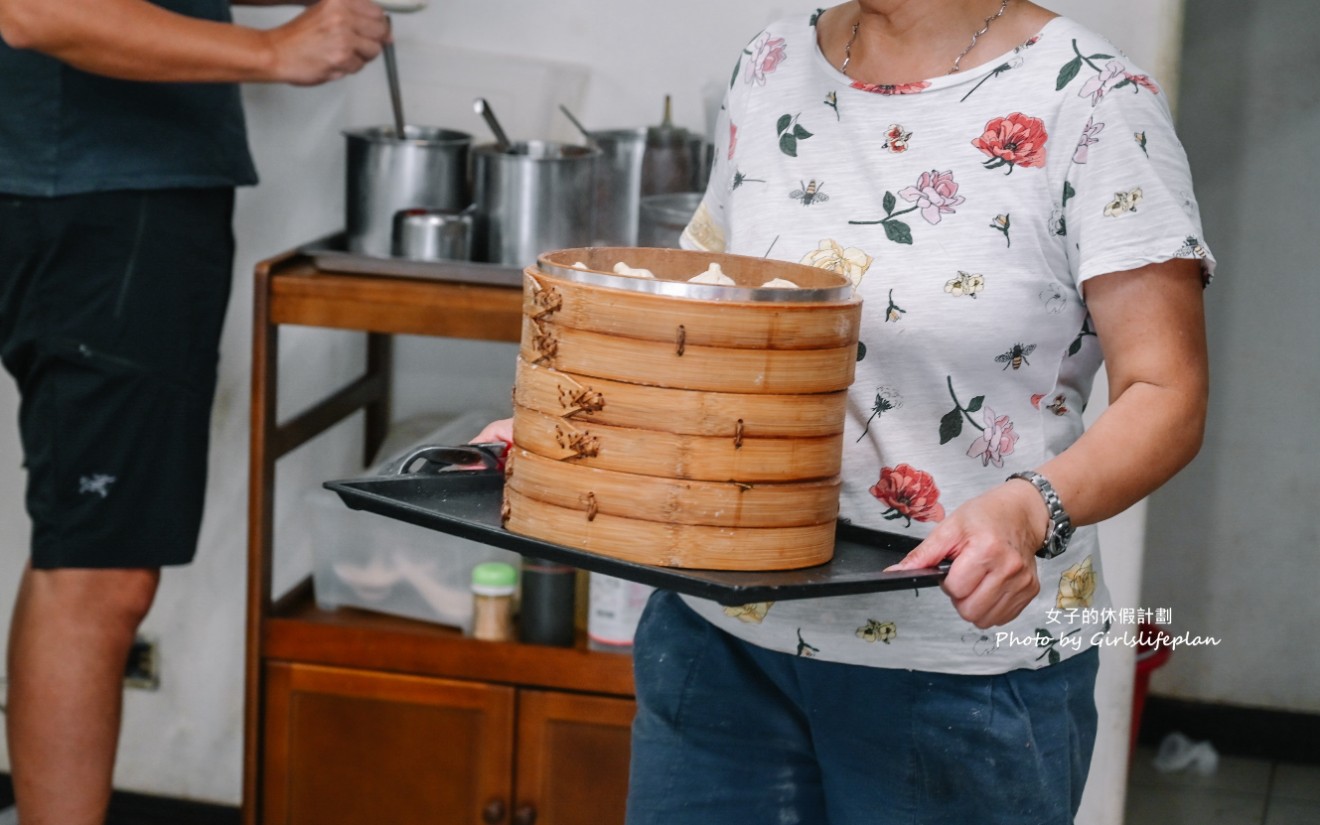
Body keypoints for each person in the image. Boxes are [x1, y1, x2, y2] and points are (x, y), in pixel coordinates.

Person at [476, 0, 1211, 822]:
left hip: (955, 667)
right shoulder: (771, 63)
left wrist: (1030, 509)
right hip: (721, 636)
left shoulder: (1092, 97)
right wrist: (584, 428)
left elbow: (1167, 394)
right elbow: (713, 307)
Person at [0, 1, 388, 822]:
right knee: (97, 568)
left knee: (88, 559)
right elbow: (36, 9)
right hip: (100, 190)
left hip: (102, 184)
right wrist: (274, 49)